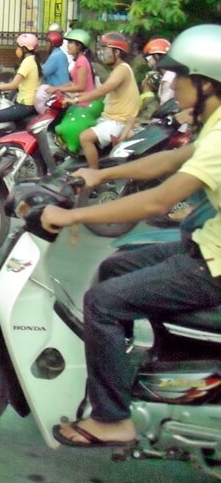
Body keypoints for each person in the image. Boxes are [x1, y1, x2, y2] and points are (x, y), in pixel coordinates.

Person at [41, 23, 221, 449]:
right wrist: (101, 174)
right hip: (203, 246)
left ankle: (112, 419)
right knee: (114, 266)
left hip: (210, 265)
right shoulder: (214, 125)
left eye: (181, 78)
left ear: (208, 83)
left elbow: (156, 203)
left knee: (102, 303)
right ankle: (122, 375)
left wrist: (71, 219)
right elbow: (170, 160)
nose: (171, 86)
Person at [67, 32, 140, 168]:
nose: (101, 53)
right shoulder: (117, 69)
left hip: (118, 121)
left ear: (117, 52)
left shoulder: (122, 70)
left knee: (85, 137)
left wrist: (76, 99)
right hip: (110, 118)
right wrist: (75, 97)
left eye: (105, 49)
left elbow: (103, 90)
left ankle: (94, 174)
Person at [0, 33, 42, 140]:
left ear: (24, 49)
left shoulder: (27, 62)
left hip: (24, 106)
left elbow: (13, 85)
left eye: (18, 47)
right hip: (30, 104)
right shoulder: (34, 61)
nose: (17, 50)